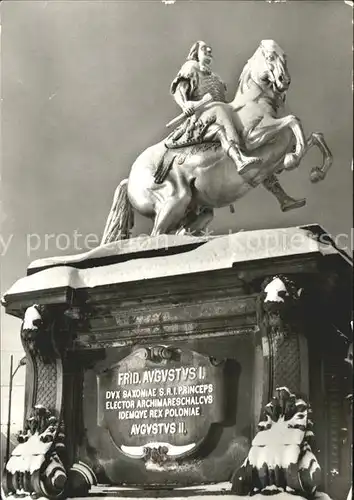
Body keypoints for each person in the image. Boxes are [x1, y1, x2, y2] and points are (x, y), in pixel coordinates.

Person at [169, 40, 260, 173]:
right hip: (200, 117)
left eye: (210, 49)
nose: (209, 51)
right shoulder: (191, 67)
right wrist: (185, 105)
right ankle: (239, 158)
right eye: (204, 48)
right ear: (196, 53)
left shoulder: (216, 78)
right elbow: (179, 90)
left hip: (219, 113)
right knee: (219, 109)